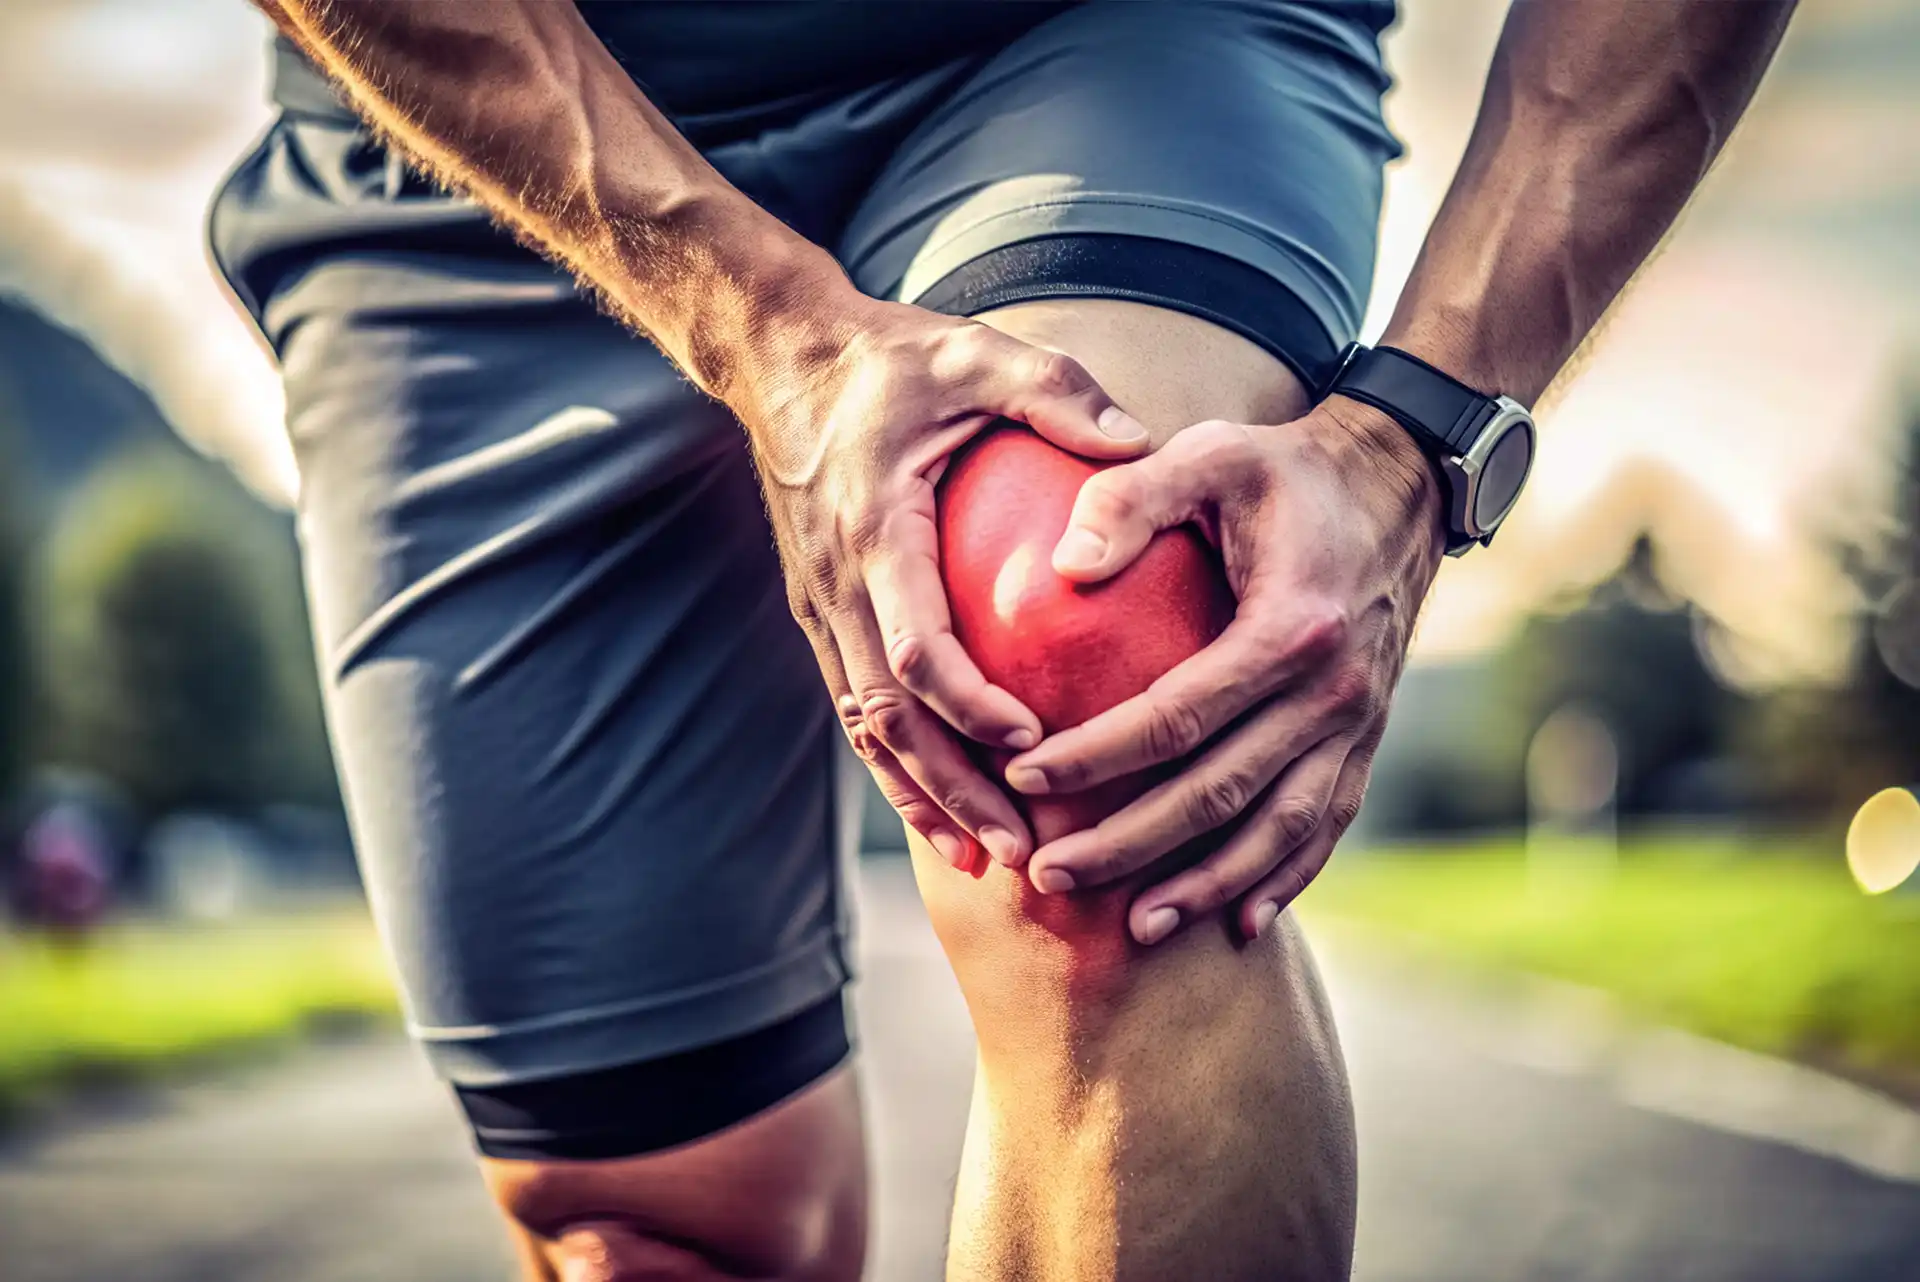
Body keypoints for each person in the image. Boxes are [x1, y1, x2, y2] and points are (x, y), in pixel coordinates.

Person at [211, 2, 1795, 1278]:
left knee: (1095, 627)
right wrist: (773, 333)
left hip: (1101, 36)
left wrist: (1415, 431)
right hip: (479, 119)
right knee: (653, 1225)